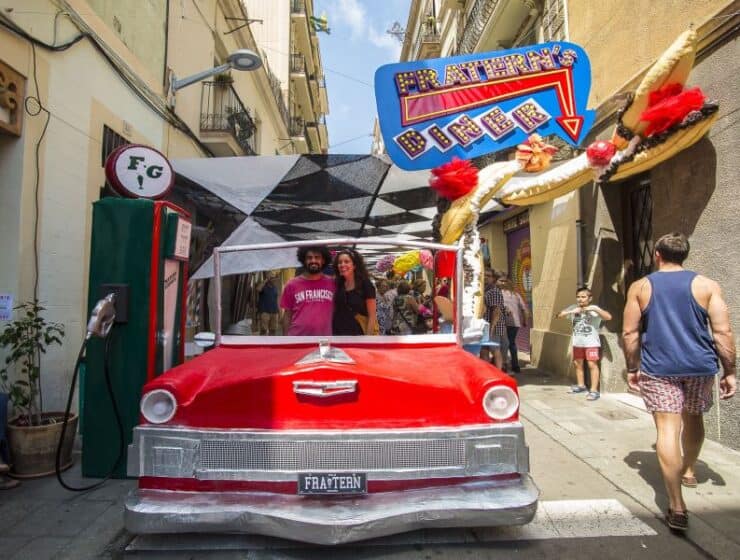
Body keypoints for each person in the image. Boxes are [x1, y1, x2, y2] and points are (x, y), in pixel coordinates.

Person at [622, 232, 736, 532]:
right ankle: (688, 470)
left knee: (667, 427)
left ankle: (676, 505)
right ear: (684, 255)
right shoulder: (707, 285)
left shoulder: (641, 286)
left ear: (657, 255)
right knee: (694, 416)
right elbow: (723, 333)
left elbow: (630, 333)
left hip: (660, 367)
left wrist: (632, 367)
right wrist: (730, 371)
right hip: (699, 365)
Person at [557, 287, 612, 401]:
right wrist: (572, 311)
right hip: (577, 342)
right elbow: (558, 315)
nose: (580, 299)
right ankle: (581, 385)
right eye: (578, 297)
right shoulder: (573, 308)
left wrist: (595, 310)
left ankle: (594, 391)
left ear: (589, 298)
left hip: (591, 343)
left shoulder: (594, 308)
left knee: (592, 365)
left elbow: (608, 317)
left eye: (583, 297)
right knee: (578, 364)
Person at [279, 246, 335, 336]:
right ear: (304, 260)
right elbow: (287, 314)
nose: (313, 260)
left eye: (317, 257)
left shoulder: (332, 283)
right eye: (309, 258)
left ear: (323, 260)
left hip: (324, 341)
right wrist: (286, 340)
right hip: (298, 339)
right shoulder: (291, 284)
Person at [332, 249, 377, 335]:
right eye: (340, 262)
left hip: (357, 334)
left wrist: (368, 340)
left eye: (346, 261)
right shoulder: (338, 284)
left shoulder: (365, 284)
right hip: (338, 333)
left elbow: (372, 316)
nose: (342, 265)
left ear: (354, 265)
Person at [498, 274, 529, 373]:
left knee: (505, 343)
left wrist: (524, 320)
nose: (503, 283)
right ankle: (515, 365)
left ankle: (505, 364)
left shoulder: (500, 293)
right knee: (510, 343)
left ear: (508, 283)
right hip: (511, 323)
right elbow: (524, 309)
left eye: (504, 281)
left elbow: (524, 309)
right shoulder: (515, 294)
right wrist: (524, 320)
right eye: (501, 281)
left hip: (507, 323)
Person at [481, 269, 507, 369]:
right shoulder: (486, 290)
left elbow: (496, 311)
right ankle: (488, 374)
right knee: (484, 350)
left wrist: (491, 328)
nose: (486, 277)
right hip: (485, 326)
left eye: (489, 275)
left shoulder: (493, 291)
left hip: (493, 327)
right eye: (484, 275)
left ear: (493, 278)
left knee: (495, 350)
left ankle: (499, 373)